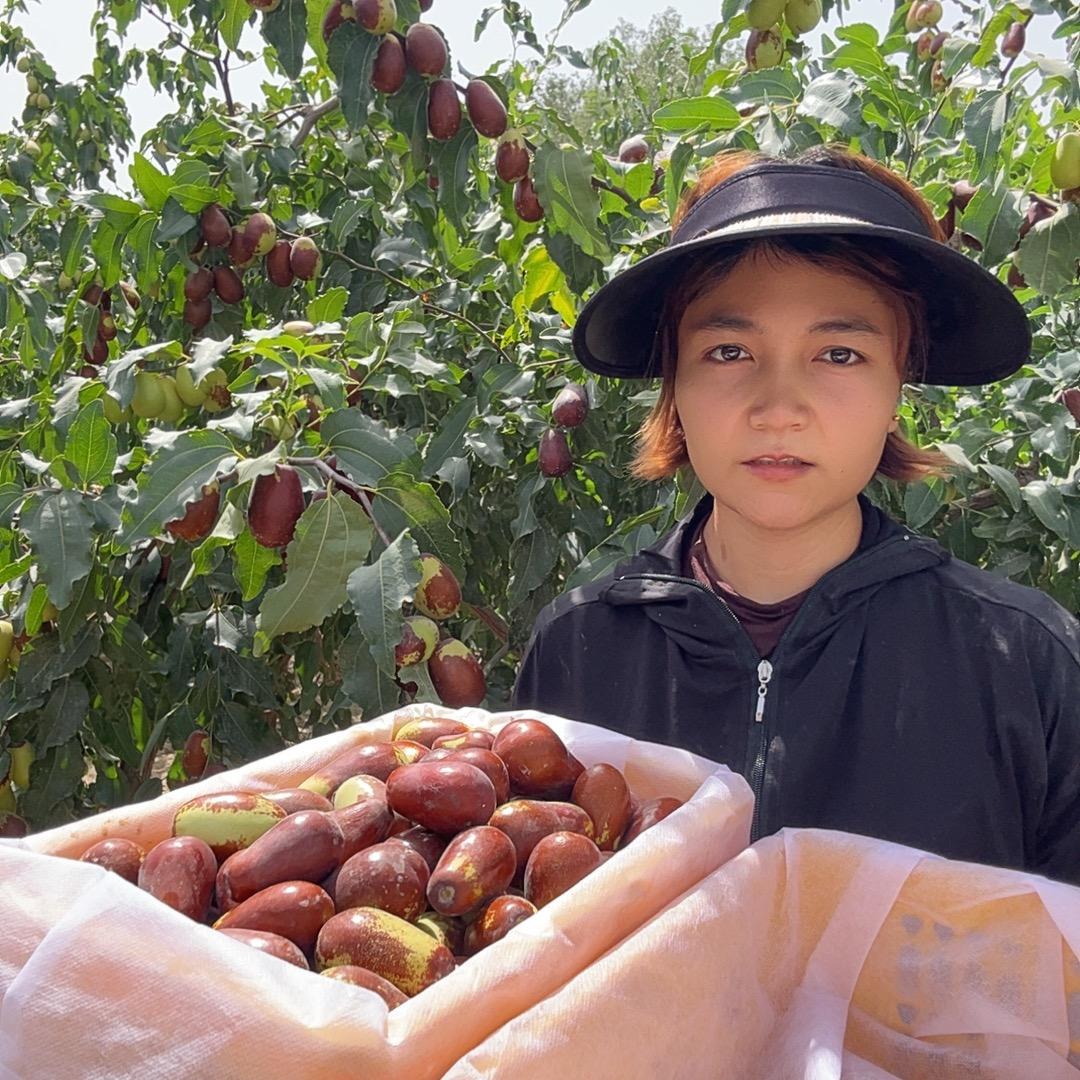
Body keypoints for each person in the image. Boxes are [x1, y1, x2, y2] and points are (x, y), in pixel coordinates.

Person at [510, 145, 1080, 885]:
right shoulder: (579, 650)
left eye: (839, 354)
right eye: (728, 351)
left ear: (899, 386)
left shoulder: (1027, 665)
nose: (779, 408)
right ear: (674, 385)